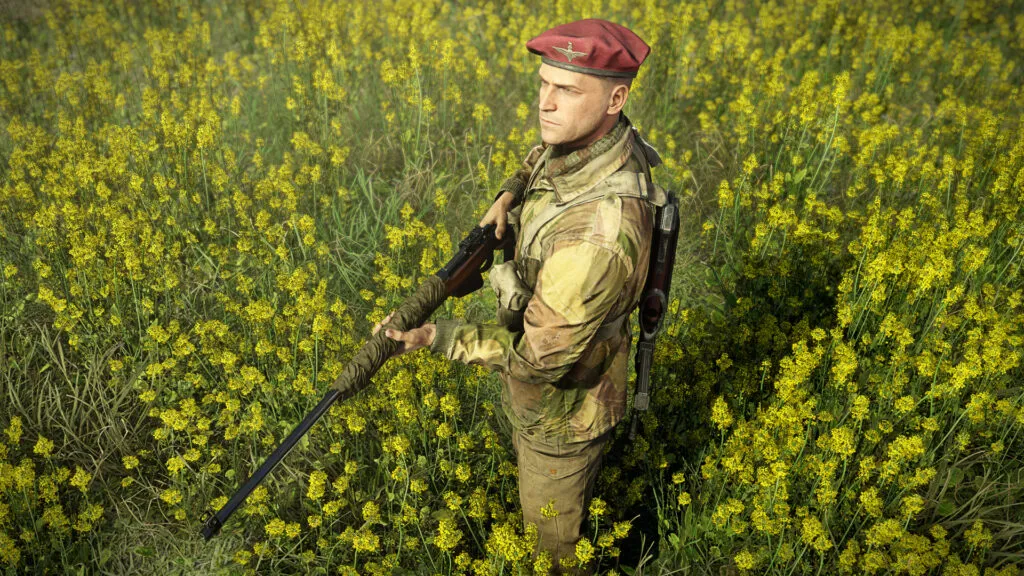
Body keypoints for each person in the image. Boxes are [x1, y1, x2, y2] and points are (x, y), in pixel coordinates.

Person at [372, 18, 664, 574]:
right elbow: (540, 157)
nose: (545, 104)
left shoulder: (594, 239)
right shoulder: (593, 138)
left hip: (565, 409)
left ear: (615, 97)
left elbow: (538, 360)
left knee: (552, 549)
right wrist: (509, 194)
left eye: (567, 90)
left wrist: (436, 337)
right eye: (543, 84)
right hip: (561, 368)